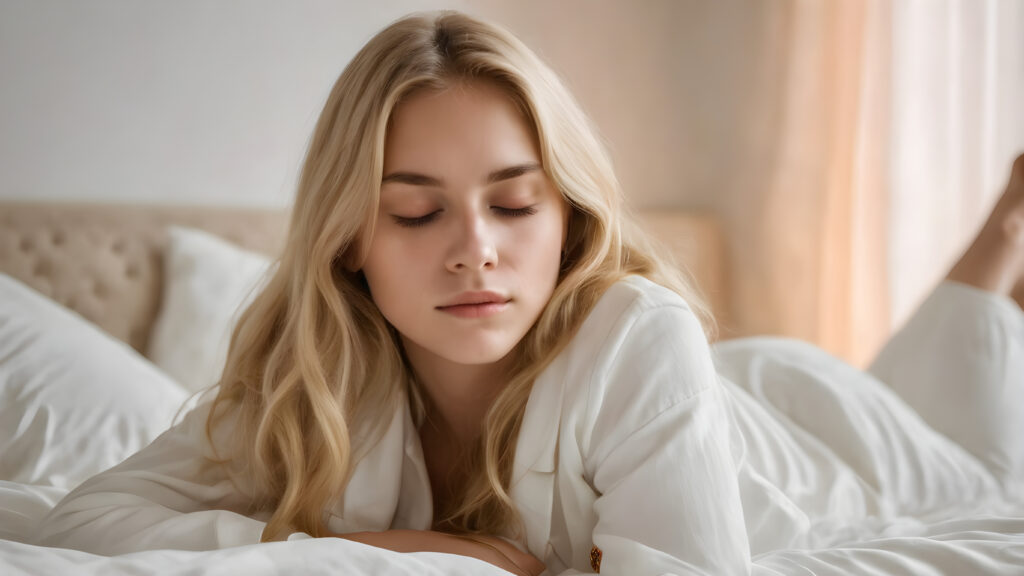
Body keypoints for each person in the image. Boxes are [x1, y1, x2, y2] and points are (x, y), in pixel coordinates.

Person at [32, 10, 1024, 576]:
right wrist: (412, 549)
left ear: (571, 221)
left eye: (513, 204)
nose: (475, 252)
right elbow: (84, 523)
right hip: (725, 398)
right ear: (348, 245)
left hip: (807, 431)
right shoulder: (313, 380)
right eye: (415, 215)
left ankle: (996, 241)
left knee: (981, 473)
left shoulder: (638, 332)